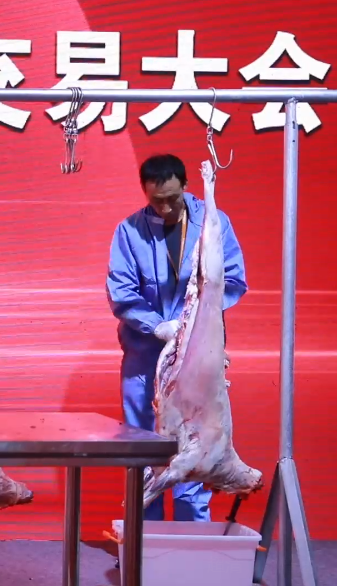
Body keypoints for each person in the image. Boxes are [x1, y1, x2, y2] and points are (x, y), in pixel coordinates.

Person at [106, 153, 248, 522]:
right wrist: (158, 326)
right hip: (146, 359)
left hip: (198, 357)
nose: (166, 208)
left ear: (185, 186)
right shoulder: (129, 231)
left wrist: (195, 318)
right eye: (157, 201)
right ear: (145, 192)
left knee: (196, 447)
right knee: (143, 452)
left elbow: (232, 279)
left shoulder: (214, 223)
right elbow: (122, 292)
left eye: (172, 198)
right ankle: (143, 542)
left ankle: (193, 539)